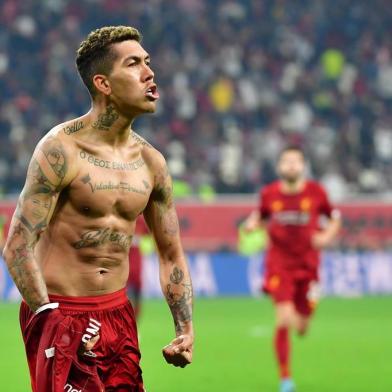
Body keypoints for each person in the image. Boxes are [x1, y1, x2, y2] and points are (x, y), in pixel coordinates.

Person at [3, 26, 194, 392]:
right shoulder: (60, 150)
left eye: (148, 62)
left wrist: (184, 329)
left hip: (119, 317)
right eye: (134, 63)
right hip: (61, 313)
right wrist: (47, 317)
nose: (149, 72)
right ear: (103, 84)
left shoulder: (152, 163)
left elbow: (171, 255)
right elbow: (18, 245)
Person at [244, 146, 341, 392]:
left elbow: (334, 217)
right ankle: (285, 378)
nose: (290, 165)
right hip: (279, 265)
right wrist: (252, 224)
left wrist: (327, 236)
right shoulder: (269, 194)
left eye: (295, 162)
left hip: (308, 266)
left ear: (303, 166)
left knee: (302, 326)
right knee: (284, 319)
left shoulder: (316, 192)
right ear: (279, 167)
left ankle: (308, 307)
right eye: (286, 161)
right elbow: (261, 215)